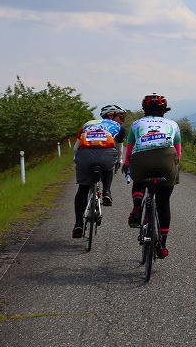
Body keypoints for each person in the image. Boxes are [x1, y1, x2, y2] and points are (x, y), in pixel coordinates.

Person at [123, 94, 182, 258]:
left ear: (144, 110)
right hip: (166, 159)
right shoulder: (173, 124)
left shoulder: (136, 124)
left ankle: (137, 206)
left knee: (139, 178)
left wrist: (127, 165)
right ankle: (162, 245)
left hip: (142, 159)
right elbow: (178, 152)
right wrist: (175, 167)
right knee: (163, 202)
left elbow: (129, 150)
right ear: (164, 110)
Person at [71, 104, 127, 239]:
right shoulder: (119, 128)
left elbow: (75, 148)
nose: (122, 120)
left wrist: (77, 159)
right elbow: (119, 150)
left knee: (82, 189)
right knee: (110, 164)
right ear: (110, 115)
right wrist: (119, 161)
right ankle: (107, 191)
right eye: (120, 117)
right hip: (107, 156)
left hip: (85, 156)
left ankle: (78, 224)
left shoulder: (87, 124)